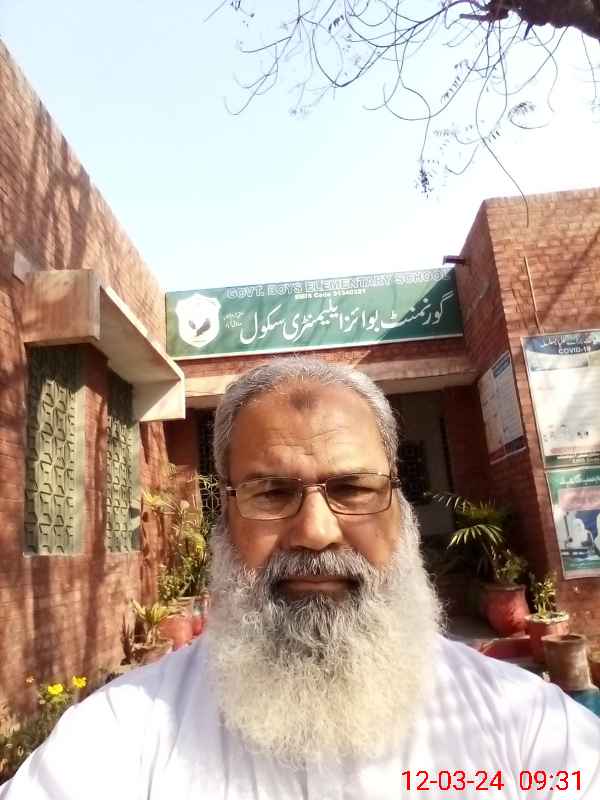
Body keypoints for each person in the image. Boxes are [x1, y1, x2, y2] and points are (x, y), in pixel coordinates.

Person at [2, 356, 600, 799]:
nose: (315, 531)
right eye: (270, 492)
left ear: (400, 509)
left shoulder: (527, 729)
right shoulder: (121, 737)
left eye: (353, 489)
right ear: (225, 517)